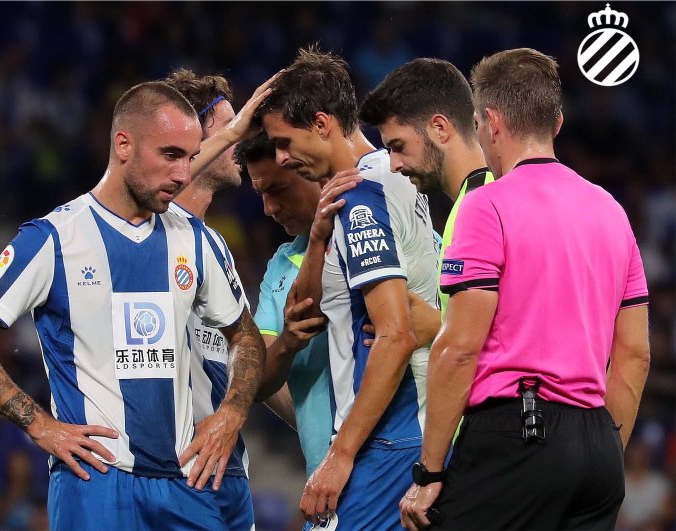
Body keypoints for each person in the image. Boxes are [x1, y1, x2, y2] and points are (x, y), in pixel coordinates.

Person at [0, 81, 266, 531]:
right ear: (123, 145)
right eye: (170, 155)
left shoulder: (196, 239)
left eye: (190, 158)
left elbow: (244, 335)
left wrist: (232, 412)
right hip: (95, 482)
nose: (184, 175)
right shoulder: (53, 239)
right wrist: (39, 425)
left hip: (184, 484)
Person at [401, 48, 650, 531]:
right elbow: (635, 354)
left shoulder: (485, 205)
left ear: (490, 123)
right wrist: (602, 448)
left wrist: (429, 471)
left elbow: (457, 349)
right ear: (556, 122)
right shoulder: (613, 214)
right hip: (598, 447)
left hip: (517, 436)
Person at [258, 47, 440, 529]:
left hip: (384, 436)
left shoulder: (359, 200)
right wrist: (317, 238)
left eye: (283, 141)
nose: (280, 157)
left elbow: (397, 333)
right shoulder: (396, 176)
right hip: (418, 428)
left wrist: (339, 455)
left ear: (321, 124)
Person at [164, 68, 255, 531]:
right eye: (231, 126)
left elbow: (239, 351)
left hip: (229, 467)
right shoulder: (146, 228)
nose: (243, 139)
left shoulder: (213, 244)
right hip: (179, 469)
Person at [359, 57, 495, 320]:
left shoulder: (480, 210)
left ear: (439, 129)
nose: (394, 165)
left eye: (398, 146)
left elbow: (474, 346)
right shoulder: (485, 199)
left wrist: (435, 328)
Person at [235, 131, 333, 478]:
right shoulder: (281, 264)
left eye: (278, 189)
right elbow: (258, 383)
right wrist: (289, 342)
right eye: (260, 194)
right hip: (325, 474)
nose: (269, 209)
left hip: (399, 463)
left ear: (311, 170)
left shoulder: (380, 235)